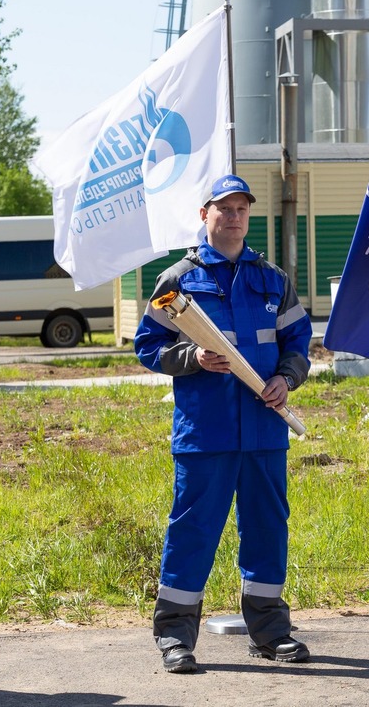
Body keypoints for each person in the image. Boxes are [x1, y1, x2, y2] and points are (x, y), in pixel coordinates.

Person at [135, 174, 313, 672]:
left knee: (266, 529)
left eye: (241, 208)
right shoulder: (178, 281)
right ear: (204, 215)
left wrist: (286, 377)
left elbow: (298, 341)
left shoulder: (271, 278)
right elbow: (148, 346)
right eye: (223, 208)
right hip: (206, 432)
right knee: (193, 530)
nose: (233, 216)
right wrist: (191, 357)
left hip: (263, 429)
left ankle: (270, 631)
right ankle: (174, 636)